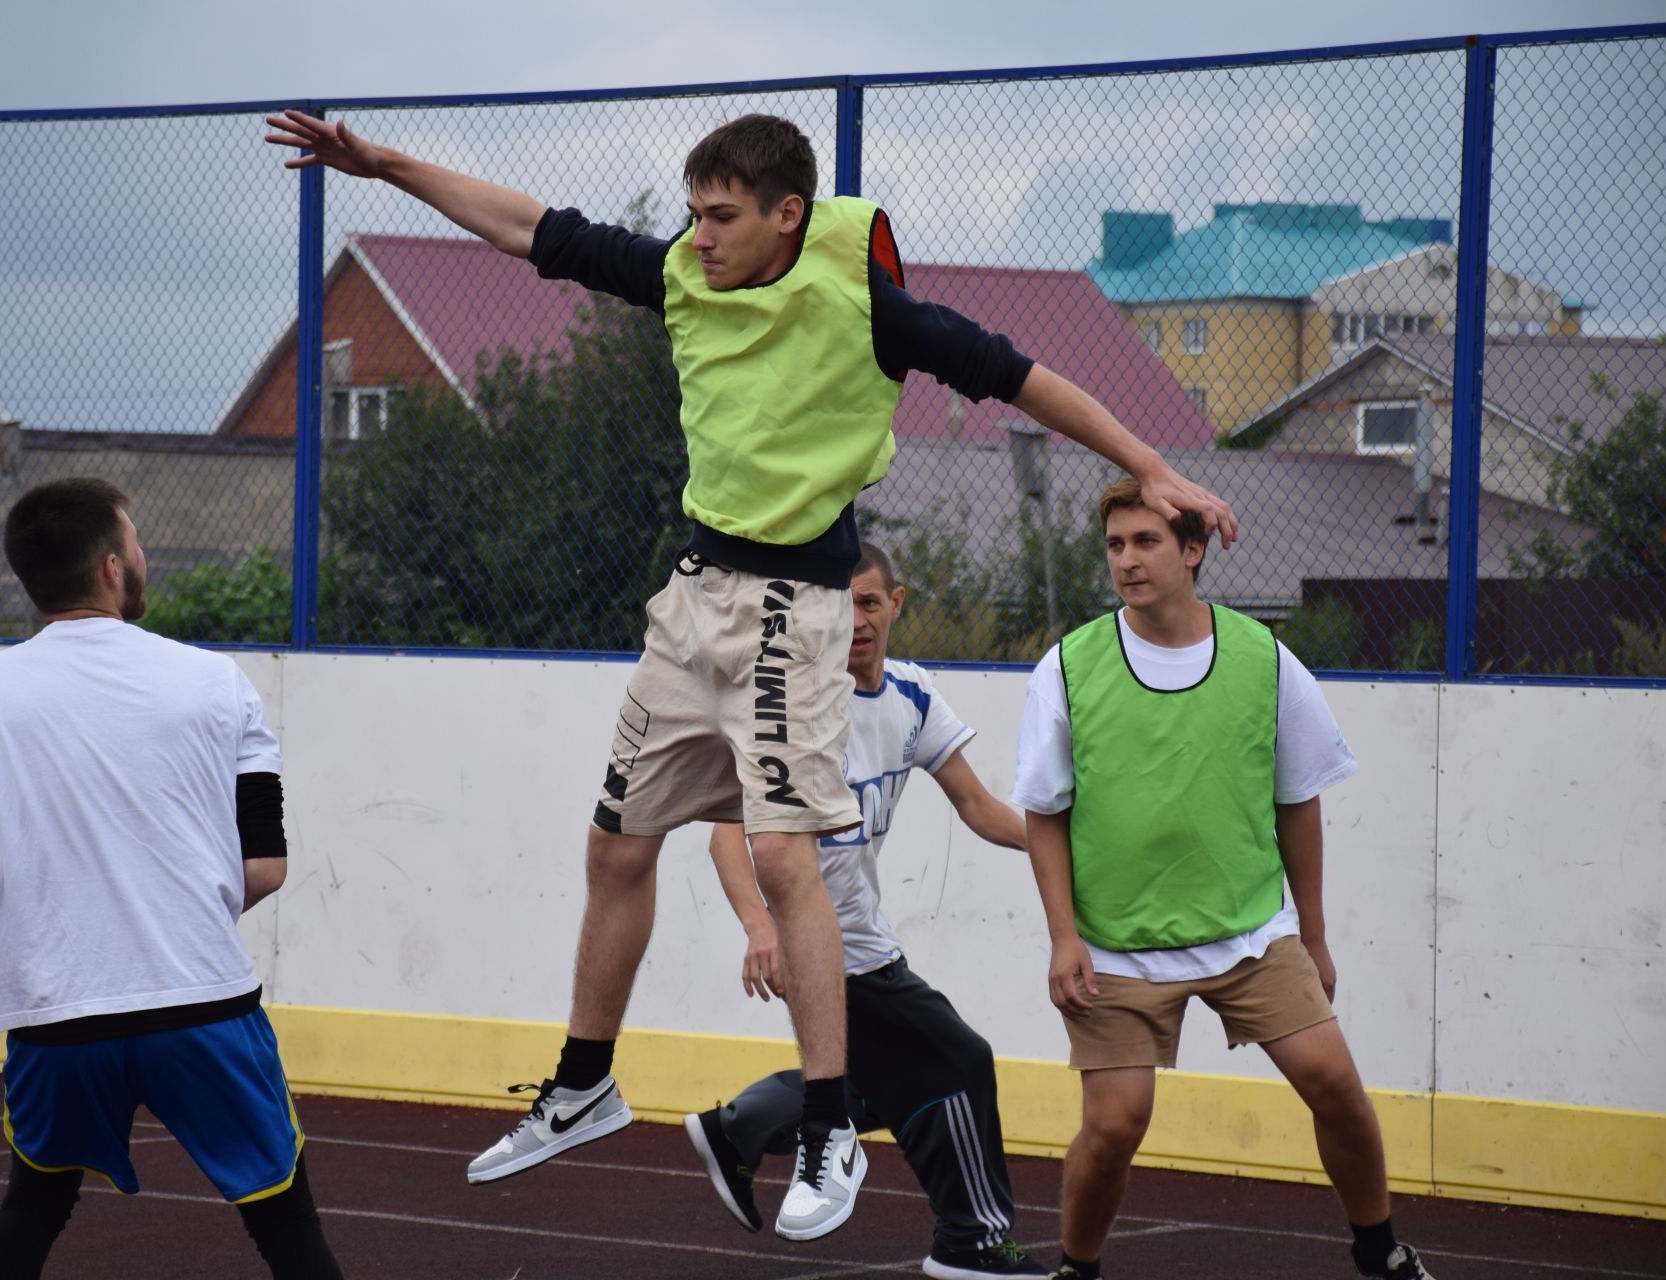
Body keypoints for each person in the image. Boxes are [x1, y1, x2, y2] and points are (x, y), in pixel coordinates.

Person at [265, 107, 1236, 1241]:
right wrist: (384, 166)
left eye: (723, 217)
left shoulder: (869, 307)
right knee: (615, 842)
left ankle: (827, 1124)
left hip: (796, 605)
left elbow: (1027, 380)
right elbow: (531, 227)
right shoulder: (684, 272)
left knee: (785, 852)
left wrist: (1153, 466)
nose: (701, 236)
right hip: (695, 597)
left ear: (788, 216)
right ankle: (583, 1082)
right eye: (692, 214)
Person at [1011, 477, 1436, 1280]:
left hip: (1250, 931)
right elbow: (1044, 813)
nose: (1126, 562)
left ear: (1194, 551)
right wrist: (1063, 936)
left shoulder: (1265, 659)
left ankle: (1381, 1253)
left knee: (1334, 1083)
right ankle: (1078, 1267)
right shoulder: (1067, 668)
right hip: (1118, 945)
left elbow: (1298, 801)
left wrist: (1312, 936)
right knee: (1115, 1127)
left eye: (1146, 543)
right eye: (1114, 545)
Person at [0, 477, 341, 1279]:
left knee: (32, 1209)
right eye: (138, 541)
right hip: (199, 1000)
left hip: (56, 1016)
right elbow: (266, 865)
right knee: (286, 1225)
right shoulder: (218, 682)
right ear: (115, 566)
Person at [689, 542, 1049, 1275]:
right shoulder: (794, 705)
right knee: (959, 1061)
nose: (854, 620)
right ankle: (971, 1240)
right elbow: (726, 835)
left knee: (878, 1087)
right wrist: (761, 927)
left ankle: (739, 1128)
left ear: (897, 605)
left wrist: (1067, 854)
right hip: (826, 950)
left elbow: (980, 808)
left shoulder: (913, 698)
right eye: (837, 605)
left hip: (869, 942)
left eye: (868, 603)